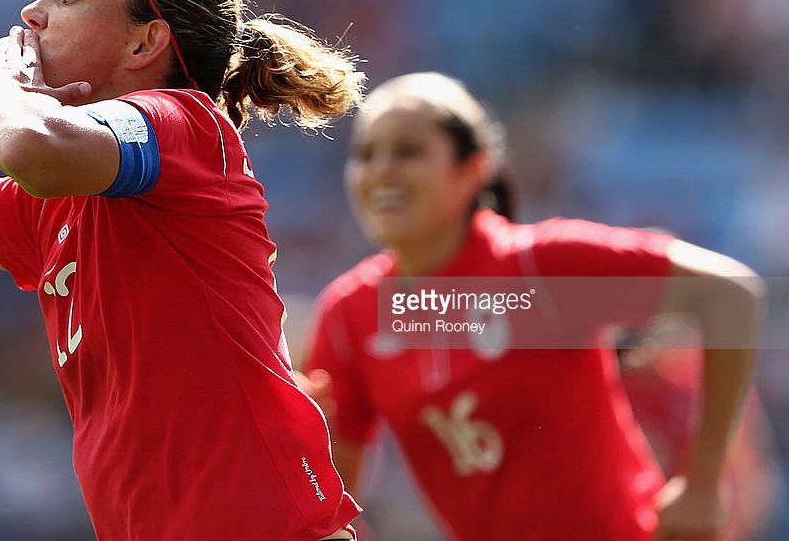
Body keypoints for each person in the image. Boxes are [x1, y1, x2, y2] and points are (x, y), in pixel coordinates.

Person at [0, 0, 366, 540]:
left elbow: (28, 146)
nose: (32, 12)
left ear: (144, 45)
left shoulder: (185, 122)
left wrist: (0, 86)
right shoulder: (55, 201)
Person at [299, 72, 765, 540]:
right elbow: (329, 500)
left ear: (473, 169)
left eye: (408, 152)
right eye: (365, 155)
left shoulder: (542, 268)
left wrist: (702, 483)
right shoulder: (350, 315)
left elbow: (732, 293)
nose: (381, 171)